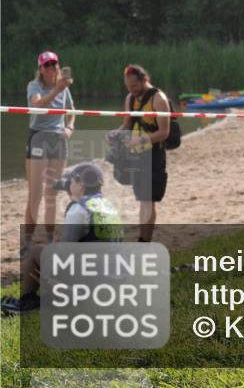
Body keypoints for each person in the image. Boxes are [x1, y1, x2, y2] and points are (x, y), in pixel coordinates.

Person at [2, 163, 122, 314]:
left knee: (36, 251)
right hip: (112, 280)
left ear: (81, 184)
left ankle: (28, 301)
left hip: (90, 282)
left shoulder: (78, 208)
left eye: (71, 181)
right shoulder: (108, 205)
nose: (68, 184)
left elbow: (65, 253)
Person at [22, 51, 75, 259]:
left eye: (54, 64)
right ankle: (27, 242)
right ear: (40, 69)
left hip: (58, 138)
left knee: (52, 193)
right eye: (47, 65)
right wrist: (57, 90)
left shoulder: (64, 87)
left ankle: (51, 240)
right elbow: (38, 105)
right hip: (39, 138)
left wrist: (70, 127)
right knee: (35, 194)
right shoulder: (34, 86)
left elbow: (72, 110)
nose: (51, 68)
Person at [116, 64, 171, 242]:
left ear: (144, 80)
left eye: (134, 86)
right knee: (142, 199)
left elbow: (164, 133)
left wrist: (140, 140)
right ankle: (143, 238)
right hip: (136, 155)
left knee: (148, 200)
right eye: (128, 87)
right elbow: (126, 125)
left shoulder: (159, 99)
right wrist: (115, 135)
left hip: (154, 154)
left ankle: (144, 241)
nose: (132, 90)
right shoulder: (130, 98)